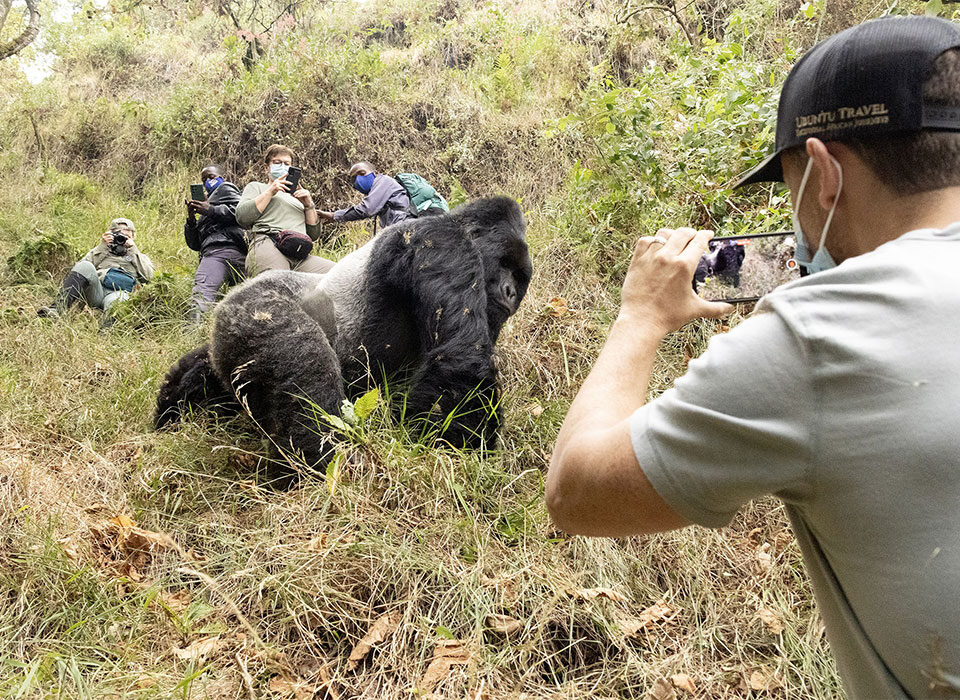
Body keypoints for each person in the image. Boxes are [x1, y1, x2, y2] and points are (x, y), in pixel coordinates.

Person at [546, 16, 960, 699]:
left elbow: (576, 493)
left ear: (825, 176)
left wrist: (640, 317)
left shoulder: (819, 337)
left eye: (790, 190)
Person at [236, 144, 334, 276]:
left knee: (338, 276)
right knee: (277, 283)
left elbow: (313, 235)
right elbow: (242, 217)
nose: (282, 167)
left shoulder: (297, 197)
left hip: (299, 251)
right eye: (277, 163)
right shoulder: (257, 187)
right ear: (267, 168)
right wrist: (271, 191)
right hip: (269, 243)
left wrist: (309, 205)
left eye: (287, 163)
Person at [37, 217, 154, 320]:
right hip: (96, 291)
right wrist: (102, 247)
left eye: (126, 236)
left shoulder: (140, 257)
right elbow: (80, 267)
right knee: (85, 266)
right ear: (110, 234)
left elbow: (149, 277)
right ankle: (57, 309)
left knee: (118, 301)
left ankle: (106, 333)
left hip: (118, 293)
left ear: (134, 236)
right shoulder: (100, 251)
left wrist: (133, 250)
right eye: (118, 235)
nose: (122, 240)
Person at [184, 164, 247, 321]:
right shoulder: (208, 202)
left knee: (203, 293)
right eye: (204, 179)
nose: (207, 182)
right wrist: (192, 221)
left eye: (211, 177)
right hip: (214, 253)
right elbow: (195, 244)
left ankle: (194, 334)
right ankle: (194, 334)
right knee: (203, 293)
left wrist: (210, 210)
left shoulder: (225, 188)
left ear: (221, 177)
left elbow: (242, 214)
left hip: (230, 248)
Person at [317, 162, 413, 231]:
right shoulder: (376, 193)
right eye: (354, 178)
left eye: (362, 173)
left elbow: (366, 209)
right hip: (396, 227)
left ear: (375, 173)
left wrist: (334, 216)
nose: (358, 179)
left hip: (405, 226)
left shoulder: (383, 181)